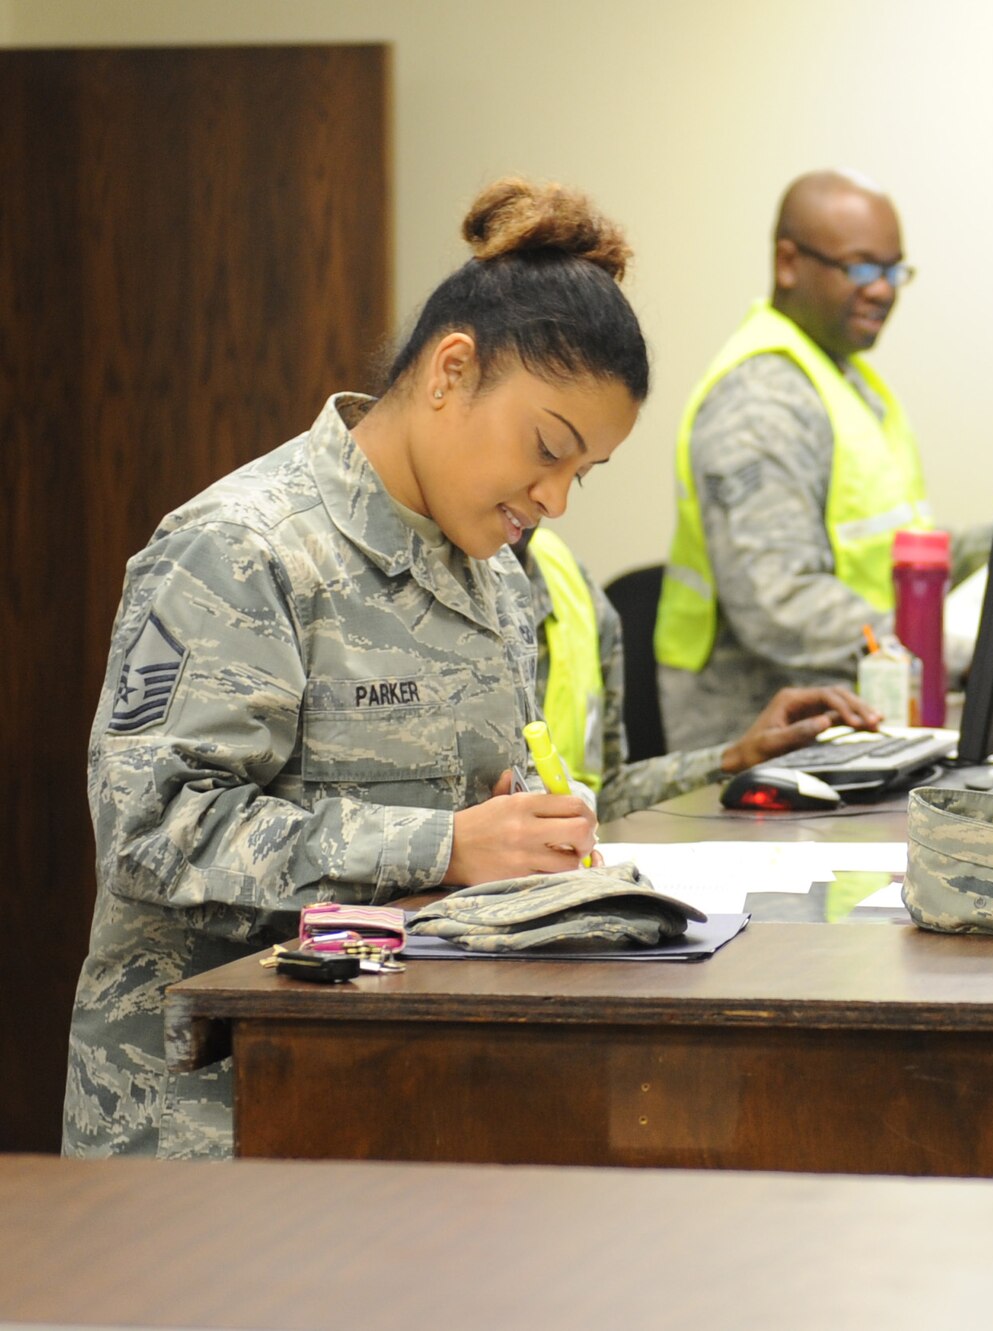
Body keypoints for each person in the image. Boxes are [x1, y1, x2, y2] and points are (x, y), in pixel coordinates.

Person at [66, 179, 645, 1159]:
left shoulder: (497, 579)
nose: (552, 497)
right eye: (547, 448)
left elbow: (458, 835)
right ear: (450, 371)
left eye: (579, 472)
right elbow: (154, 831)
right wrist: (443, 846)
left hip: (398, 1098)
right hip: (209, 1128)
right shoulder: (243, 548)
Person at [656, 169, 929, 749]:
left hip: (848, 723)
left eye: (893, 270)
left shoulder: (843, 379)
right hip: (757, 746)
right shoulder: (760, 400)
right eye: (860, 268)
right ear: (788, 262)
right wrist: (934, 645)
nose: (882, 289)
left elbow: (897, 549)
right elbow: (779, 602)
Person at [513, 524, 878, 822]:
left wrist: (738, 757)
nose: (555, 501)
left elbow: (605, 795)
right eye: (546, 450)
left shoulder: (562, 573)